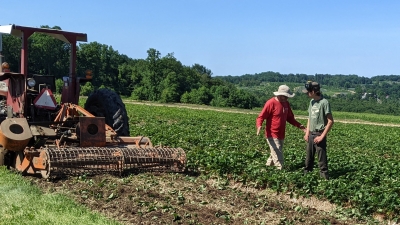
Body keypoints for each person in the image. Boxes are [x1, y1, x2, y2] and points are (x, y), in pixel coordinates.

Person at [256, 85, 306, 170]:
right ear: (278, 94)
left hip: (281, 134)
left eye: (286, 96)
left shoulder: (286, 104)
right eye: (283, 96)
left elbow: (290, 118)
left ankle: (266, 170)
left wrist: (301, 127)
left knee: (274, 153)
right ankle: (280, 171)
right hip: (272, 133)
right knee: (278, 155)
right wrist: (259, 125)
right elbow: (261, 116)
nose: (285, 98)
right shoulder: (270, 103)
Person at [302, 81, 334, 179]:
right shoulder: (311, 102)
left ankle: (325, 181)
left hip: (319, 134)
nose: (307, 93)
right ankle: (306, 179)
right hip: (311, 134)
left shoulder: (324, 103)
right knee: (308, 160)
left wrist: (322, 136)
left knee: (322, 161)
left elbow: (330, 121)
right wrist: (307, 132)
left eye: (308, 91)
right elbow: (309, 118)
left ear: (314, 91)